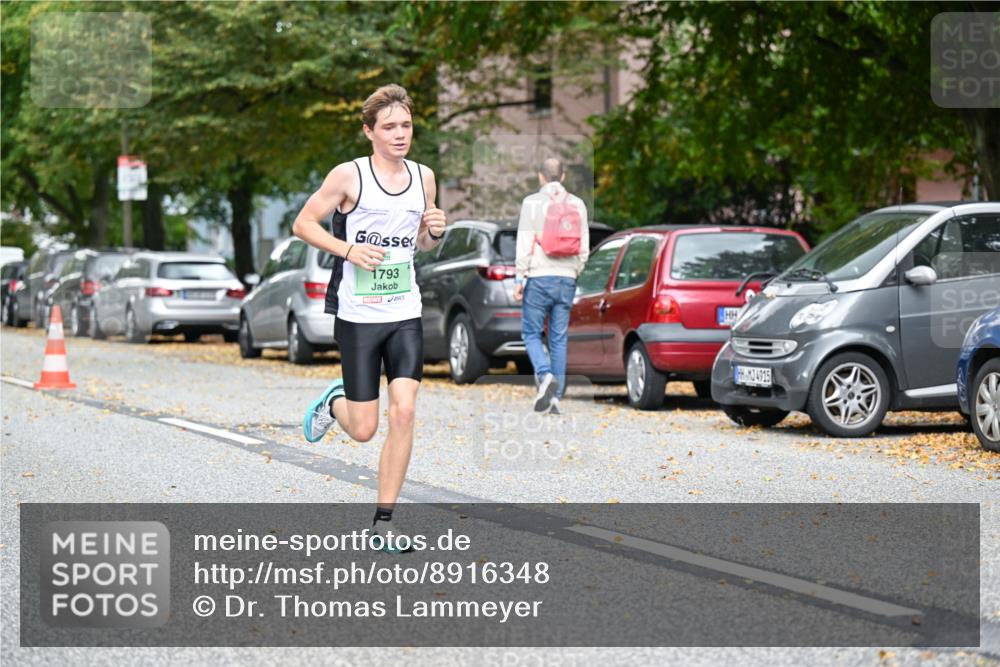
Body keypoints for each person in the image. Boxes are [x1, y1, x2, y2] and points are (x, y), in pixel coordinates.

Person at [291, 84, 446, 552]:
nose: (400, 135)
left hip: (404, 309)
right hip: (358, 313)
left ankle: (384, 522)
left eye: (406, 126)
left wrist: (433, 233)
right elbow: (303, 223)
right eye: (390, 127)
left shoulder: (425, 177)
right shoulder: (349, 176)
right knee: (363, 429)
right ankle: (335, 402)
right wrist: (347, 250)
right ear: (369, 132)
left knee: (405, 410)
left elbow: (421, 243)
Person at [513, 157, 589, 414]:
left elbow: (524, 243)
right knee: (558, 338)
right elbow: (584, 248)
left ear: (540, 176)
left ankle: (545, 375)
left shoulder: (532, 203)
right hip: (567, 278)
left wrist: (519, 278)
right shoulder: (577, 204)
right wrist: (573, 271)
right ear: (563, 176)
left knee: (531, 333)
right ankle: (555, 398)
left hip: (539, 276)